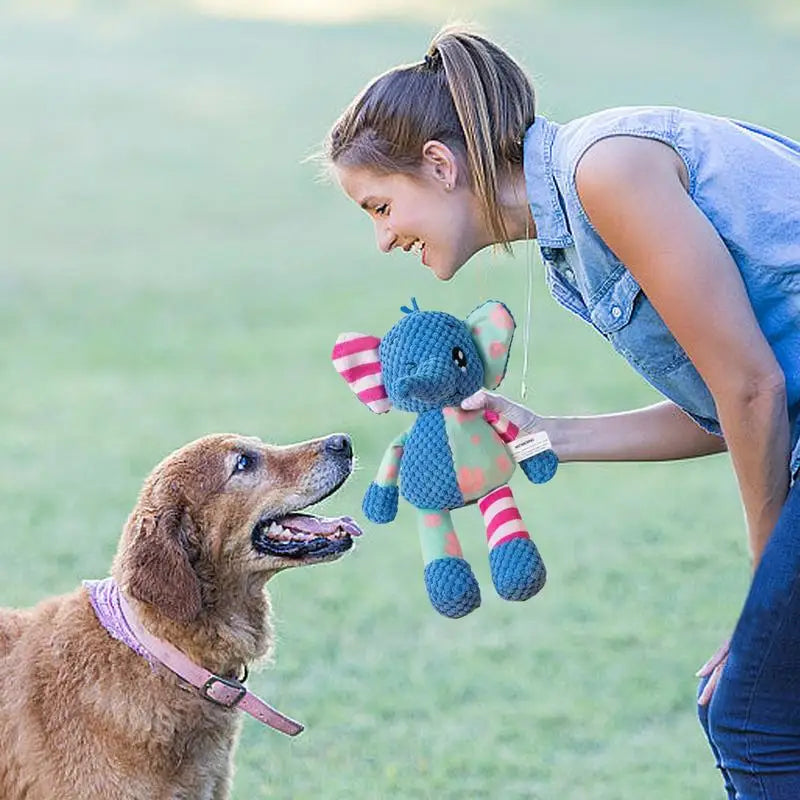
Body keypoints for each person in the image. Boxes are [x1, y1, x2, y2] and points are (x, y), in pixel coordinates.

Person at [322, 23, 800, 799]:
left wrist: (763, 587)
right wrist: (543, 435)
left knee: (752, 714)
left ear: (440, 166)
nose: (382, 239)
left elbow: (754, 390)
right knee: (749, 710)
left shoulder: (606, 171)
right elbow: (729, 405)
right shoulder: (569, 238)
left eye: (380, 206)